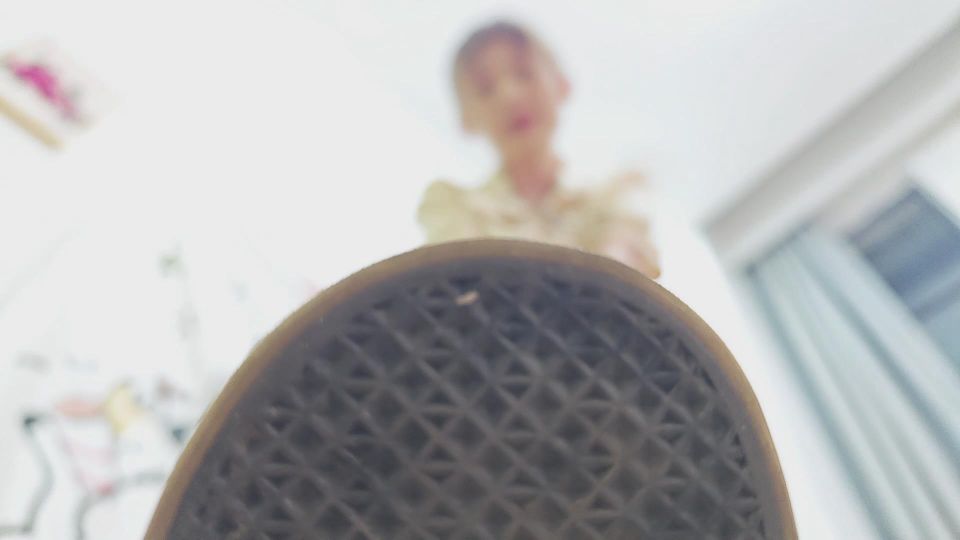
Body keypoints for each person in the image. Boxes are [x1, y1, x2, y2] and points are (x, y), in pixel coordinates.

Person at [418, 20, 660, 279]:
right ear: (466, 119)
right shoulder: (453, 205)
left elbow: (624, 260)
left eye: (524, 74)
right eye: (485, 88)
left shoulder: (616, 192)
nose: (509, 95)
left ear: (562, 84)